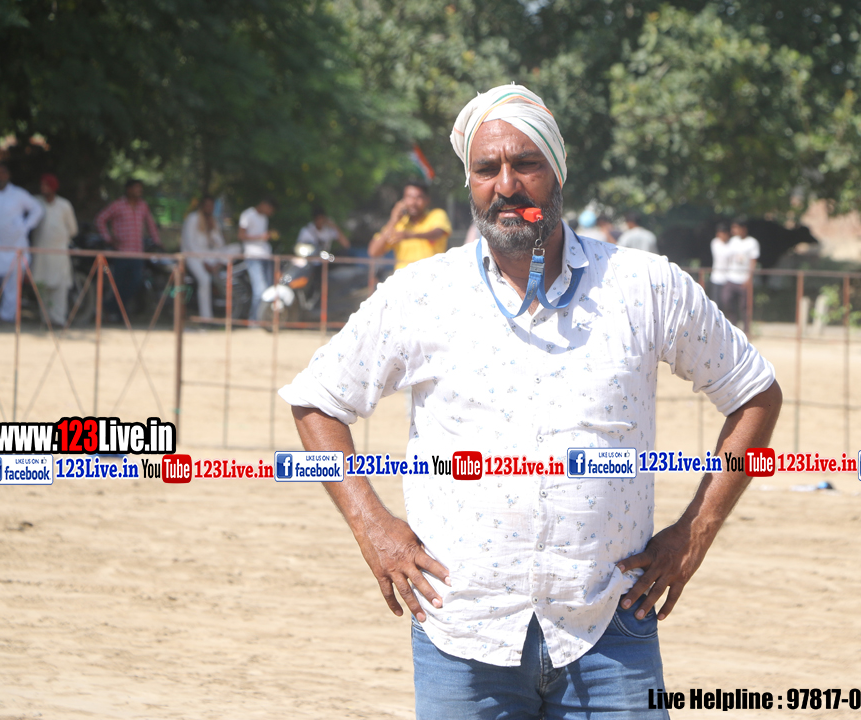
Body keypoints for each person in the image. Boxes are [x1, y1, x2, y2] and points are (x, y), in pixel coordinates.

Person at [280, 84, 782, 719]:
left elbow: (754, 393)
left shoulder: (644, 286)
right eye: (486, 169)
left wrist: (694, 533)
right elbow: (317, 401)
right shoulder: (422, 293)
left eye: (526, 164)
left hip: (610, 627)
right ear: (470, 183)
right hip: (463, 633)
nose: (507, 185)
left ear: (558, 172)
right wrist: (372, 527)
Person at [0, 163, 43, 323]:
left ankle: (7, 317)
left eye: (3, 172)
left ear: (8, 175)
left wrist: (25, 226)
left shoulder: (18, 194)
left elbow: (37, 210)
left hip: (14, 248)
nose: (0, 176)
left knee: (12, 287)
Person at [94, 179, 161, 321]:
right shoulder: (118, 205)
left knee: (135, 282)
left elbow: (150, 224)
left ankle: (109, 307)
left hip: (137, 253)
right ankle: (120, 315)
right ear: (129, 189)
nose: (139, 191)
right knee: (119, 284)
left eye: (140, 188)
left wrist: (157, 242)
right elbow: (100, 219)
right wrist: (109, 238)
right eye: (136, 188)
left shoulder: (143, 206)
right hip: (121, 252)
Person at [368, 179, 451, 271]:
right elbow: (374, 252)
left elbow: (437, 233)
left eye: (418, 197)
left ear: (427, 200)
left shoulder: (436, 215)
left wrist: (409, 235)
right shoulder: (399, 224)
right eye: (409, 197)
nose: (413, 202)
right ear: (403, 200)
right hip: (404, 277)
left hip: (431, 275)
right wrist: (393, 220)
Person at [31, 174, 78, 327]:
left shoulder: (64, 205)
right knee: (42, 285)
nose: (43, 188)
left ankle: (58, 319)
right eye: (42, 185)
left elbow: (73, 230)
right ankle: (45, 319)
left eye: (46, 185)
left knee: (60, 287)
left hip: (59, 253)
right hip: (41, 253)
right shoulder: (36, 202)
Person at [181, 195, 226, 320]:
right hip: (192, 256)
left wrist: (212, 232)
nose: (209, 208)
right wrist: (204, 262)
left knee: (234, 249)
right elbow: (190, 245)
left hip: (209, 255)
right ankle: (206, 317)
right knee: (205, 280)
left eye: (212, 206)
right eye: (207, 205)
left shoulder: (213, 220)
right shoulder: (192, 219)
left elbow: (220, 244)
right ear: (202, 206)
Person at [238, 197, 277, 321]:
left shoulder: (264, 218)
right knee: (260, 290)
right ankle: (254, 320)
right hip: (253, 256)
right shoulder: (247, 215)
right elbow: (241, 235)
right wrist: (260, 237)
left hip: (265, 256)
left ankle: (264, 320)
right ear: (264, 204)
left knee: (269, 290)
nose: (270, 213)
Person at [721, 217, 761, 330]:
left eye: (736, 227)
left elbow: (753, 261)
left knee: (745, 306)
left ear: (743, 228)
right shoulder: (732, 241)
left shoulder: (752, 242)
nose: (734, 230)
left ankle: (746, 330)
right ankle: (733, 326)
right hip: (731, 277)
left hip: (744, 279)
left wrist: (749, 278)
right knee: (726, 300)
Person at [709, 221, 732, 310]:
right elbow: (724, 255)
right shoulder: (715, 242)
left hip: (728, 278)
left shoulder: (731, 243)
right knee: (716, 303)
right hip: (717, 277)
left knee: (727, 303)